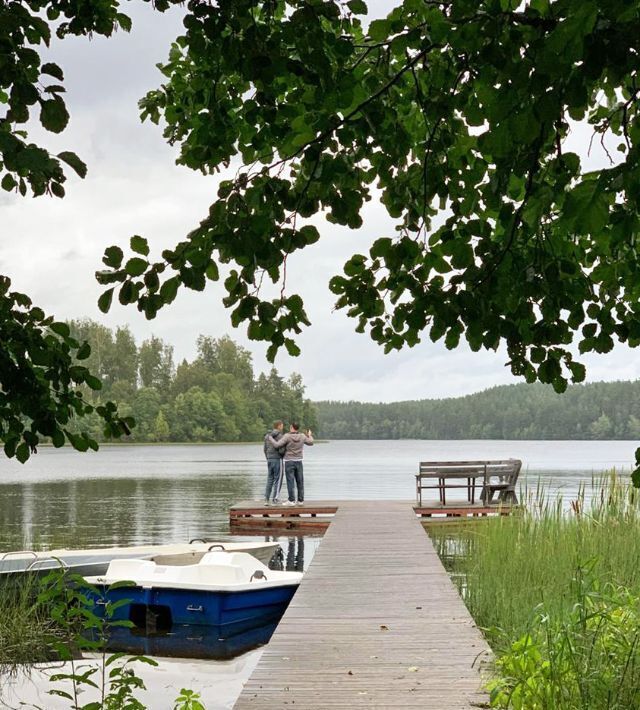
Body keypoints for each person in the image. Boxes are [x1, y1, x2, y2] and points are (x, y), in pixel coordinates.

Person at [269, 423, 313, 506]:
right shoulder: (302, 436)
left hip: (289, 461)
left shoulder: (287, 436)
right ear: (298, 428)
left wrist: (270, 438)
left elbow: (277, 445)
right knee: (300, 481)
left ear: (291, 427)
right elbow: (311, 442)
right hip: (299, 461)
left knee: (290, 481)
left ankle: (291, 500)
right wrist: (309, 435)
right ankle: (300, 500)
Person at [263, 420, 285, 505]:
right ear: (279, 426)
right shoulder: (280, 436)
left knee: (270, 479)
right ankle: (275, 499)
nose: (282, 427)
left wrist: (268, 457)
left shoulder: (267, 436)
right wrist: (282, 455)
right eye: (282, 425)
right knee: (278, 479)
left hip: (269, 459)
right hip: (277, 459)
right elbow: (282, 449)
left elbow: (264, 449)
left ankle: (266, 498)